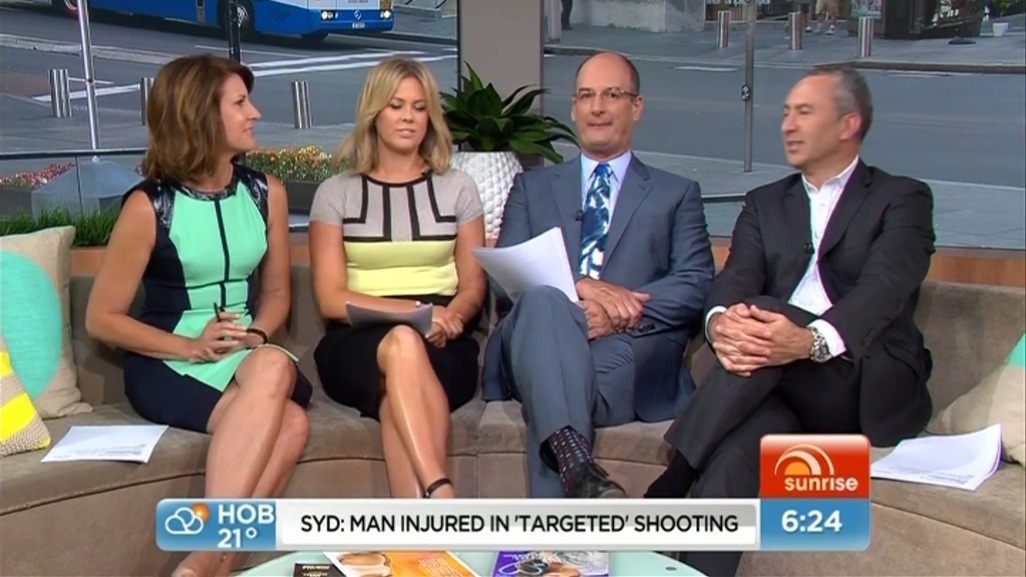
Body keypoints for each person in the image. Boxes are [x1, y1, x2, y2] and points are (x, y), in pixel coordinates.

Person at [644, 65, 935, 576]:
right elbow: (734, 280)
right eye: (785, 113)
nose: (787, 125)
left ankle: (672, 480)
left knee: (769, 312)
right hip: (772, 386)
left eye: (804, 112)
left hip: (861, 382)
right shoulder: (764, 203)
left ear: (847, 124)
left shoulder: (902, 198)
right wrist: (719, 325)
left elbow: (883, 290)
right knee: (734, 457)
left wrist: (807, 342)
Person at [85, 54, 312, 577]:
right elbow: (102, 318)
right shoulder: (148, 206)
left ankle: (205, 560)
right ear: (201, 116)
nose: (255, 113)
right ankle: (214, 560)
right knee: (292, 422)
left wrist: (257, 332)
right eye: (240, 103)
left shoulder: (266, 193)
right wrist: (190, 346)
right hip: (168, 360)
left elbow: (277, 293)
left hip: (246, 354)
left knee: (272, 365)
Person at [480, 51, 715, 499]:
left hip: (625, 350)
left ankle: (571, 467)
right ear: (573, 108)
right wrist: (582, 287)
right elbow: (505, 271)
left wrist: (618, 311)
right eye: (586, 96)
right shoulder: (532, 187)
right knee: (544, 301)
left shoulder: (676, 193)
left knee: (553, 383)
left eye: (612, 95)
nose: (597, 108)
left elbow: (695, 282)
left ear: (636, 107)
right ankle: (578, 476)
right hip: (535, 338)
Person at [308, 58, 486, 500]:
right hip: (357, 338)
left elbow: (473, 286)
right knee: (403, 342)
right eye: (396, 105)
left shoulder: (458, 188)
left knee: (397, 395)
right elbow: (330, 299)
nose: (409, 117)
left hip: (445, 340)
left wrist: (453, 320)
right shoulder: (337, 192)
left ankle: (416, 527)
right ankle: (440, 490)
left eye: (419, 107)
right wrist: (415, 314)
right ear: (374, 113)